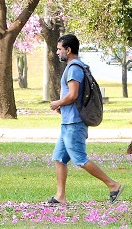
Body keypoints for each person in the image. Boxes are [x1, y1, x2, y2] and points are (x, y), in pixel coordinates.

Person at [48, 33, 124, 205]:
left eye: (59, 49)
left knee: (80, 159)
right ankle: (60, 196)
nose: (57, 52)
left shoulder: (74, 68)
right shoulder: (76, 67)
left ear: (68, 50)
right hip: (68, 121)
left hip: (74, 123)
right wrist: (63, 107)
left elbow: (73, 94)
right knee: (59, 157)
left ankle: (113, 185)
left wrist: (57, 103)